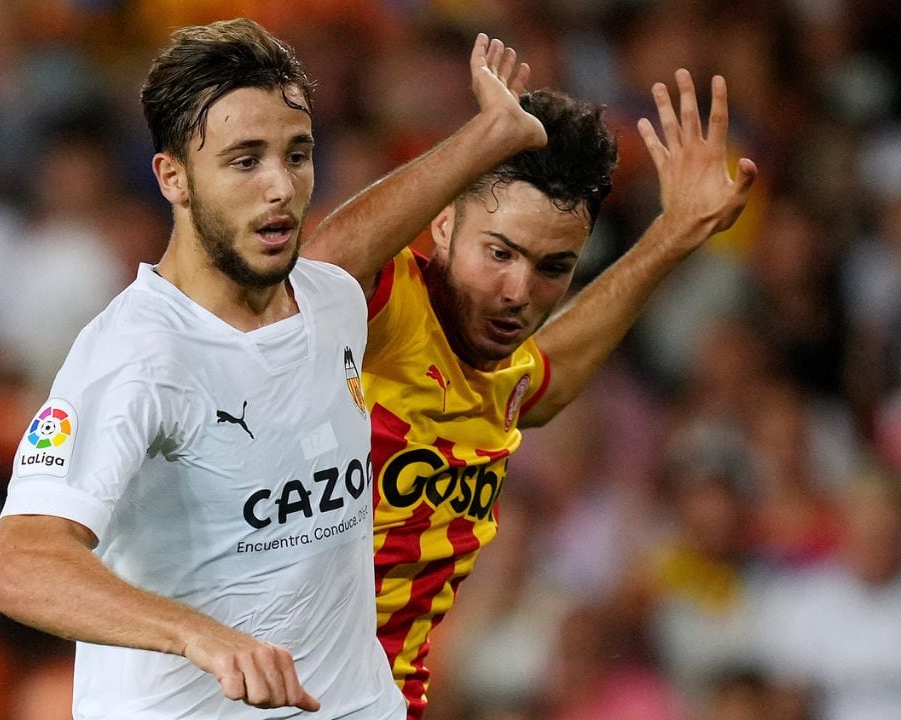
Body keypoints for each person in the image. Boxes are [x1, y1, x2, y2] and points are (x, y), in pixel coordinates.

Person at [0, 19, 546, 719]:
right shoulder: (137, 358)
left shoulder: (332, 300)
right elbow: (19, 563)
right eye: (245, 161)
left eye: (298, 154)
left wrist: (489, 136)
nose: (280, 186)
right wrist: (199, 637)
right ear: (173, 178)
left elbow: (353, 240)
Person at [303, 37, 758, 719]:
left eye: (552, 267)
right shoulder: (384, 310)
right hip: (264, 686)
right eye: (500, 252)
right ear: (445, 225)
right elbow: (324, 264)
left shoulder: (501, 373)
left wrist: (676, 231)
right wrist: (485, 137)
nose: (520, 290)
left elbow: (548, 378)